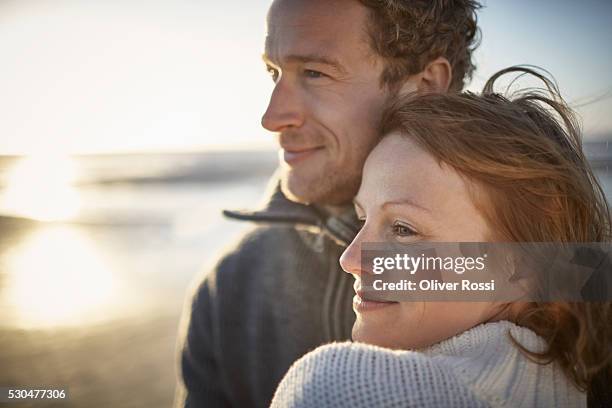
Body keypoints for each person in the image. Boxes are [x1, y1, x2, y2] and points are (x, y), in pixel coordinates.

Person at [174, 0, 481, 407]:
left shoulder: (539, 265)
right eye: (274, 73)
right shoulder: (228, 287)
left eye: (315, 73)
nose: (272, 116)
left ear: (424, 87)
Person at [270, 67, 612, 407]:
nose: (351, 260)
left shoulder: (340, 386)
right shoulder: (574, 391)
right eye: (363, 218)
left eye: (403, 229)